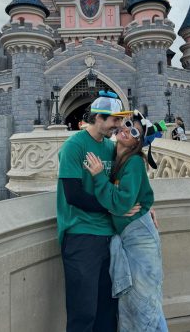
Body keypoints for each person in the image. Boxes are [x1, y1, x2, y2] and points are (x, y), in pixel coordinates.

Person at [57, 90, 136, 332]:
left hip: (108, 237)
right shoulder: (74, 146)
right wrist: (115, 207)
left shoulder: (111, 149)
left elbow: (124, 187)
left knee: (107, 311)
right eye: (114, 119)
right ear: (98, 118)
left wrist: (145, 209)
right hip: (81, 235)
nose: (119, 125)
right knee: (84, 311)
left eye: (121, 120)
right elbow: (74, 195)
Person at [85, 110, 169, 332]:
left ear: (136, 142)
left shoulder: (133, 162)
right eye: (128, 124)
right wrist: (147, 206)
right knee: (136, 303)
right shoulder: (118, 158)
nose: (126, 130)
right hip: (130, 237)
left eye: (134, 132)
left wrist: (99, 177)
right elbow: (130, 199)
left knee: (144, 304)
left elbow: (122, 204)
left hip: (139, 239)